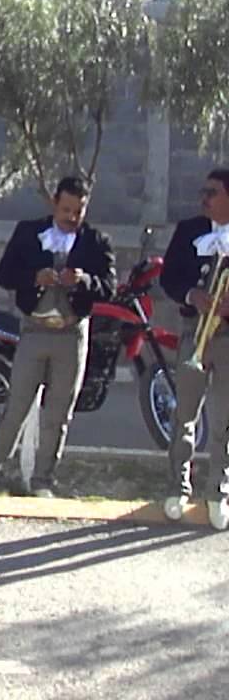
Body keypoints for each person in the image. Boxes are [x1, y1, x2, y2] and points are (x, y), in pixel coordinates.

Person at [0, 176, 116, 498]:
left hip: (71, 334)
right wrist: (33, 277)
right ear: (54, 203)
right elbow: (4, 275)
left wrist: (82, 279)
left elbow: (109, 286)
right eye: (66, 209)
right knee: (17, 405)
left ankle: (43, 480)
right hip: (34, 330)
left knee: (58, 413)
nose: (72, 217)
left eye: (78, 211)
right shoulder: (28, 232)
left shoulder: (97, 241)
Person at [158, 168, 229, 530]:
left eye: (212, 192)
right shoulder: (189, 230)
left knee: (224, 421)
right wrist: (193, 295)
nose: (204, 198)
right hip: (194, 331)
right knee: (184, 414)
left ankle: (219, 491)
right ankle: (177, 486)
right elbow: (168, 277)